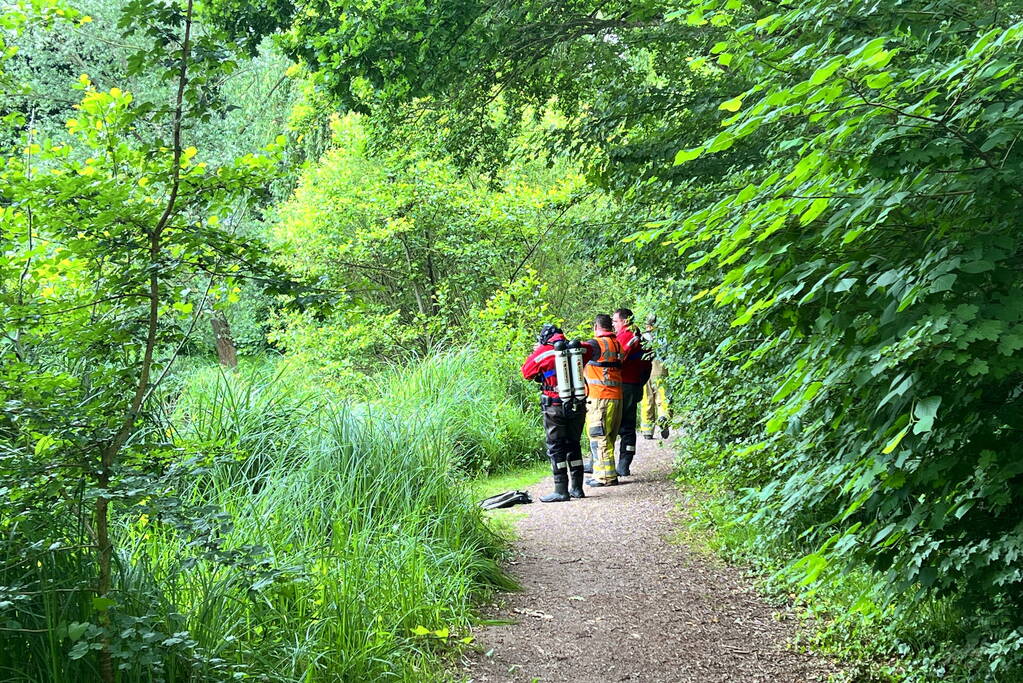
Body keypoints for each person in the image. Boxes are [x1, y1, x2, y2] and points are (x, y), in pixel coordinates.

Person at [521, 323, 589, 502]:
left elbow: (526, 372)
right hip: (578, 403)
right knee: (574, 443)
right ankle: (577, 488)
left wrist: (536, 352)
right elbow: (592, 351)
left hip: (554, 406)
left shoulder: (543, 352)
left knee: (556, 446)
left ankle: (561, 490)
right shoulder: (576, 349)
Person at [581, 314, 624, 487]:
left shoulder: (595, 344)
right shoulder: (616, 343)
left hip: (600, 398)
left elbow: (578, 350)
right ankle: (606, 472)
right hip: (616, 397)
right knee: (609, 437)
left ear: (595, 326)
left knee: (599, 437)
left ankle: (605, 477)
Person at [612, 308, 651, 477]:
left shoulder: (627, 336)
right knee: (627, 426)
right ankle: (624, 463)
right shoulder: (639, 336)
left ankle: (619, 464)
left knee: (616, 425)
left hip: (625, 385)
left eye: (615, 321)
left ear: (625, 321)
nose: (613, 325)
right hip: (633, 384)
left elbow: (617, 358)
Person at [640, 313, 670, 440]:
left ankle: (647, 430)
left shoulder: (642, 337)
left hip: (645, 369)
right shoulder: (663, 337)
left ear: (647, 325)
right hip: (661, 368)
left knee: (647, 399)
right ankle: (664, 418)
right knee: (663, 398)